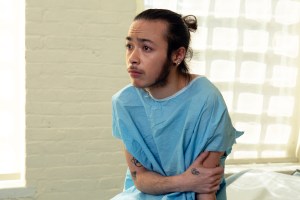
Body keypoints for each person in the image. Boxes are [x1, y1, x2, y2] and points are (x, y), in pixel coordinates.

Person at [111, 8, 243, 200]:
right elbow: (140, 177)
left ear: (177, 55)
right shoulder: (124, 102)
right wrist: (184, 181)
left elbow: (205, 186)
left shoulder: (206, 99)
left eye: (146, 48)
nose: (132, 59)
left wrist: (190, 183)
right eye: (130, 46)